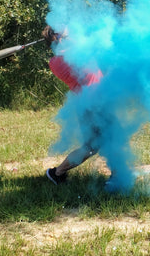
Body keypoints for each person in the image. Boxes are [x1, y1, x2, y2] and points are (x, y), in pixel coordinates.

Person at [42, 26, 103, 185]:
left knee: (105, 141)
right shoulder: (60, 60)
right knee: (92, 146)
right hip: (91, 106)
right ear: (59, 38)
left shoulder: (58, 59)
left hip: (93, 103)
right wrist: (66, 37)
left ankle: (57, 173)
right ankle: (57, 173)